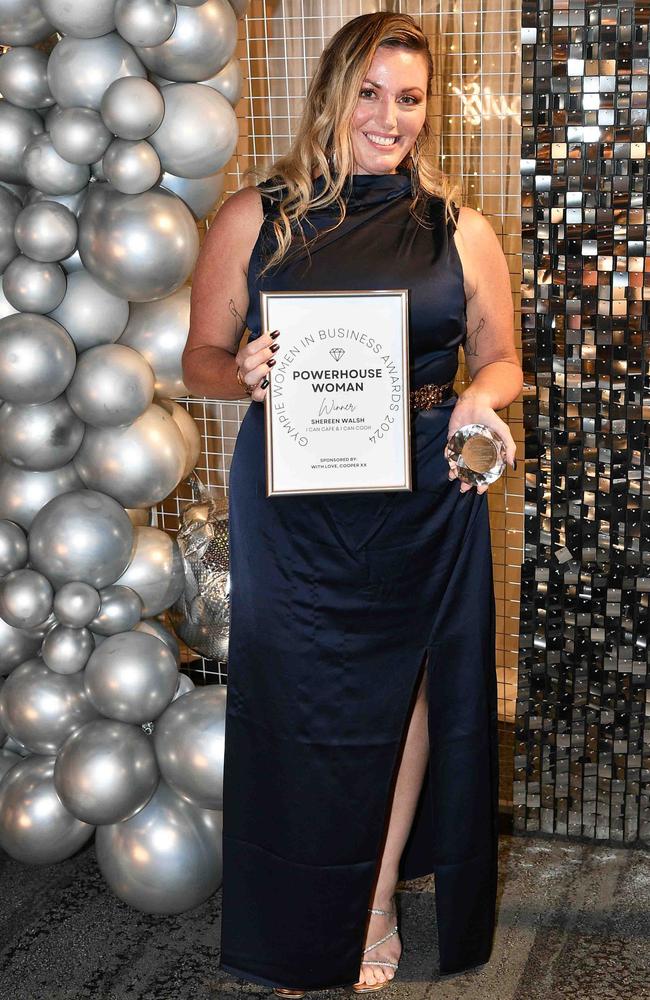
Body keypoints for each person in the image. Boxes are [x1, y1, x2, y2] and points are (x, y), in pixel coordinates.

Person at [182, 10, 522, 997]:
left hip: (425, 489)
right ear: (331, 92)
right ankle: (301, 915)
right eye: (369, 92)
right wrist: (238, 369)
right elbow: (199, 357)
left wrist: (477, 394)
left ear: (428, 107)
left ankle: (371, 900)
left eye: (409, 98)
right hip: (295, 496)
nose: (389, 116)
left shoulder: (460, 227)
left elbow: (502, 360)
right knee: (299, 700)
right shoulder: (258, 216)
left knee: (405, 694)